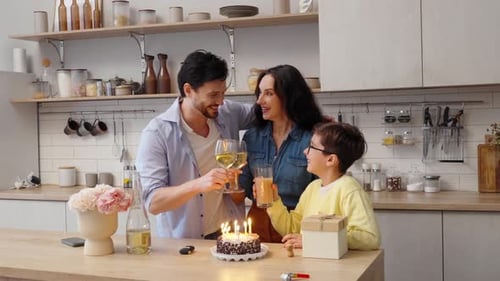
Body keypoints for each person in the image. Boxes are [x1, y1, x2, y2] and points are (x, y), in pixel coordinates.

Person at [135, 50, 253, 239]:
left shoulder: (227, 112)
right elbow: (153, 202)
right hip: (184, 245)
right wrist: (199, 184)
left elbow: (265, 110)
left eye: (223, 93)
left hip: (229, 237)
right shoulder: (157, 133)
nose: (221, 101)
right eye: (214, 94)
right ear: (188, 90)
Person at [238, 64, 324, 243]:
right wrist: (230, 181)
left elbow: (325, 192)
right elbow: (243, 189)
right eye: (259, 93)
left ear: (289, 97)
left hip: (298, 228)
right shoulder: (252, 137)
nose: (259, 101)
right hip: (256, 227)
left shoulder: (314, 139)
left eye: (268, 93)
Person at [266, 122, 381, 250]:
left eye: (311, 147)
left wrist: (315, 241)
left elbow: (369, 238)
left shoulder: (349, 189)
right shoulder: (313, 188)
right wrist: (273, 200)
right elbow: (294, 228)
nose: (305, 151)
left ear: (330, 160)